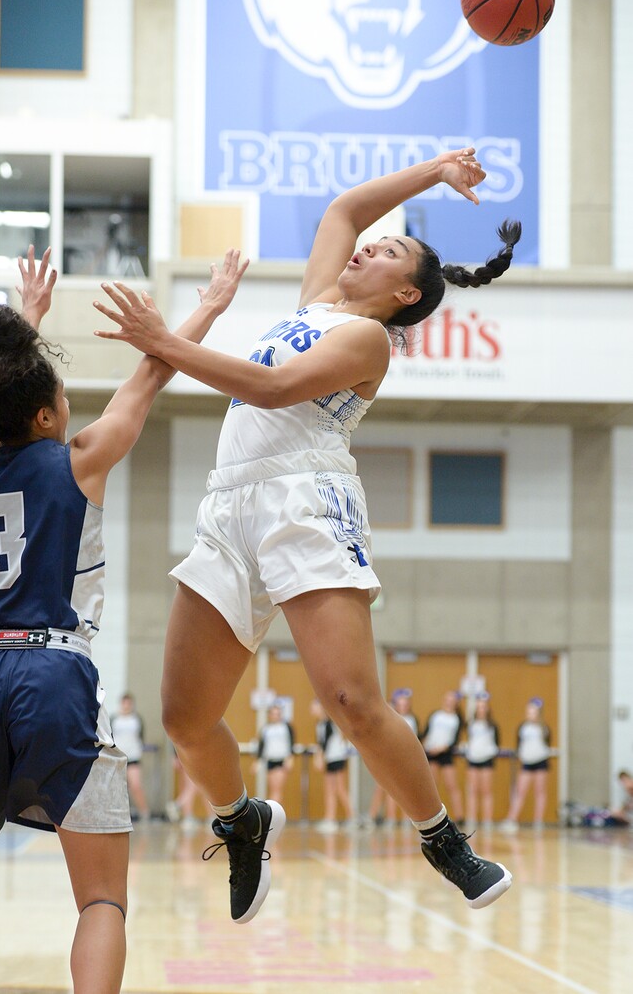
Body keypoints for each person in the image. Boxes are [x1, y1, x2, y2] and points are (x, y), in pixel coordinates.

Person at [93, 147, 519, 920]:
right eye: (378, 240)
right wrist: (435, 171)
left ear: (403, 292)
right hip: (229, 506)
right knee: (185, 719)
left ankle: (441, 836)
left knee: (353, 698)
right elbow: (342, 212)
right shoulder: (319, 298)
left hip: (305, 499)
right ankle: (241, 820)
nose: (369, 244)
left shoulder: (366, 343)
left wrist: (165, 340)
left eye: (389, 251)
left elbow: (271, 386)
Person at [0, 245, 246, 994]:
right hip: (50, 673)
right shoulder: (81, 458)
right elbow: (153, 372)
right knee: (101, 898)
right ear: (46, 413)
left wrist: (28, 319)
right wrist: (210, 304)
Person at [366, 688, 418, 829]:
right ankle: (387, 818)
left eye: (405, 703)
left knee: (404, 790)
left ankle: (406, 819)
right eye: (399, 703)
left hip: (405, 759)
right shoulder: (391, 719)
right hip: (389, 758)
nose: (403, 706)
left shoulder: (411, 720)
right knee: (385, 788)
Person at [501, 698, 552, 833]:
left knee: (540, 792)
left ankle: (538, 821)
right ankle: (512, 819)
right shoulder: (523, 728)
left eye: (534, 712)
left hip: (541, 762)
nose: (531, 714)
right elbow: (520, 746)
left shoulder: (544, 729)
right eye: (529, 711)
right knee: (520, 791)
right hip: (527, 763)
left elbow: (547, 745)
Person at [421, 690, 466, 823]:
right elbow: (426, 733)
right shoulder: (435, 716)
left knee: (452, 785)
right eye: (447, 699)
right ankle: (430, 817)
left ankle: (460, 816)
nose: (449, 703)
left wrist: (442, 748)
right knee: (432, 786)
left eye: (452, 700)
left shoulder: (456, 719)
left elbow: (455, 740)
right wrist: (425, 747)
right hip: (431, 753)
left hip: (445, 754)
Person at [311, 698, 354, 833]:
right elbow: (321, 743)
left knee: (340, 788)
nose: (312, 709)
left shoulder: (329, 723)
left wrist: (319, 757)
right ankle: (330, 819)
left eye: (315, 706)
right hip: (330, 758)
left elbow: (325, 743)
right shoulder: (320, 724)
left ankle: (352, 818)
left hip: (337, 758)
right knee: (329, 789)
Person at [110, 692, 150, 821]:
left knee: (136, 785)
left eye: (129, 703)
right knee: (117, 788)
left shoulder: (136, 719)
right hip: (118, 758)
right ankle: (118, 814)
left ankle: (145, 813)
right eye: (124, 703)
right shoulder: (114, 719)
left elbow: (141, 737)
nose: (126, 706)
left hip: (133, 757)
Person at [464, 692, 500, 830]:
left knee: (486, 791)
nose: (481, 709)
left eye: (484, 706)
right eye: (479, 707)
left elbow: (496, 743)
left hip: (487, 761)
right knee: (472, 790)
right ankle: (472, 818)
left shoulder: (492, 726)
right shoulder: (471, 724)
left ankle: (487, 820)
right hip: (473, 760)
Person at [253, 702, 296, 807]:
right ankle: (277, 813)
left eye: (278, 713)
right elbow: (262, 747)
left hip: (282, 760)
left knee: (277, 790)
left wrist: (290, 758)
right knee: (273, 789)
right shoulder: (266, 729)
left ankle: (272, 813)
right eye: (273, 713)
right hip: (270, 761)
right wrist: (258, 762)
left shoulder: (286, 727)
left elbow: (291, 743)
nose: (275, 716)